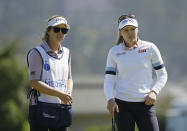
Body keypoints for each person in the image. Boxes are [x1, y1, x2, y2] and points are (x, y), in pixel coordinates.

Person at [104, 14, 168, 131]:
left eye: (133, 29)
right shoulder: (114, 52)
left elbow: (162, 75)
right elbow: (109, 80)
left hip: (146, 104)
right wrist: (110, 99)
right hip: (122, 106)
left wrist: (154, 91)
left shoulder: (150, 48)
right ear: (120, 32)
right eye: (126, 30)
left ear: (138, 29)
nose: (130, 33)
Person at [27, 15, 73, 131]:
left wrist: (68, 92)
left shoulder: (67, 53)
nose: (60, 33)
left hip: (61, 108)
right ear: (48, 31)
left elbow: (69, 78)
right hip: (40, 107)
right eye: (56, 29)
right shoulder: (37, 53)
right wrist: (59, 94)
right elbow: (34, 82)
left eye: (64, 30)